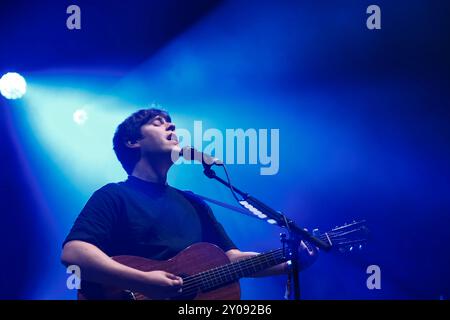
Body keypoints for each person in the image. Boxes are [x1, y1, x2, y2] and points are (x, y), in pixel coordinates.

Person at [61, 107, 317, 299]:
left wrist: (289, 263)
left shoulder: (193, 202)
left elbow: (231, 259)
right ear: (133, 142)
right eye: (158, 123)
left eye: (172, 124)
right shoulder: (113, 196)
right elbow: (73, 254)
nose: (172, 128)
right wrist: (143, 281)